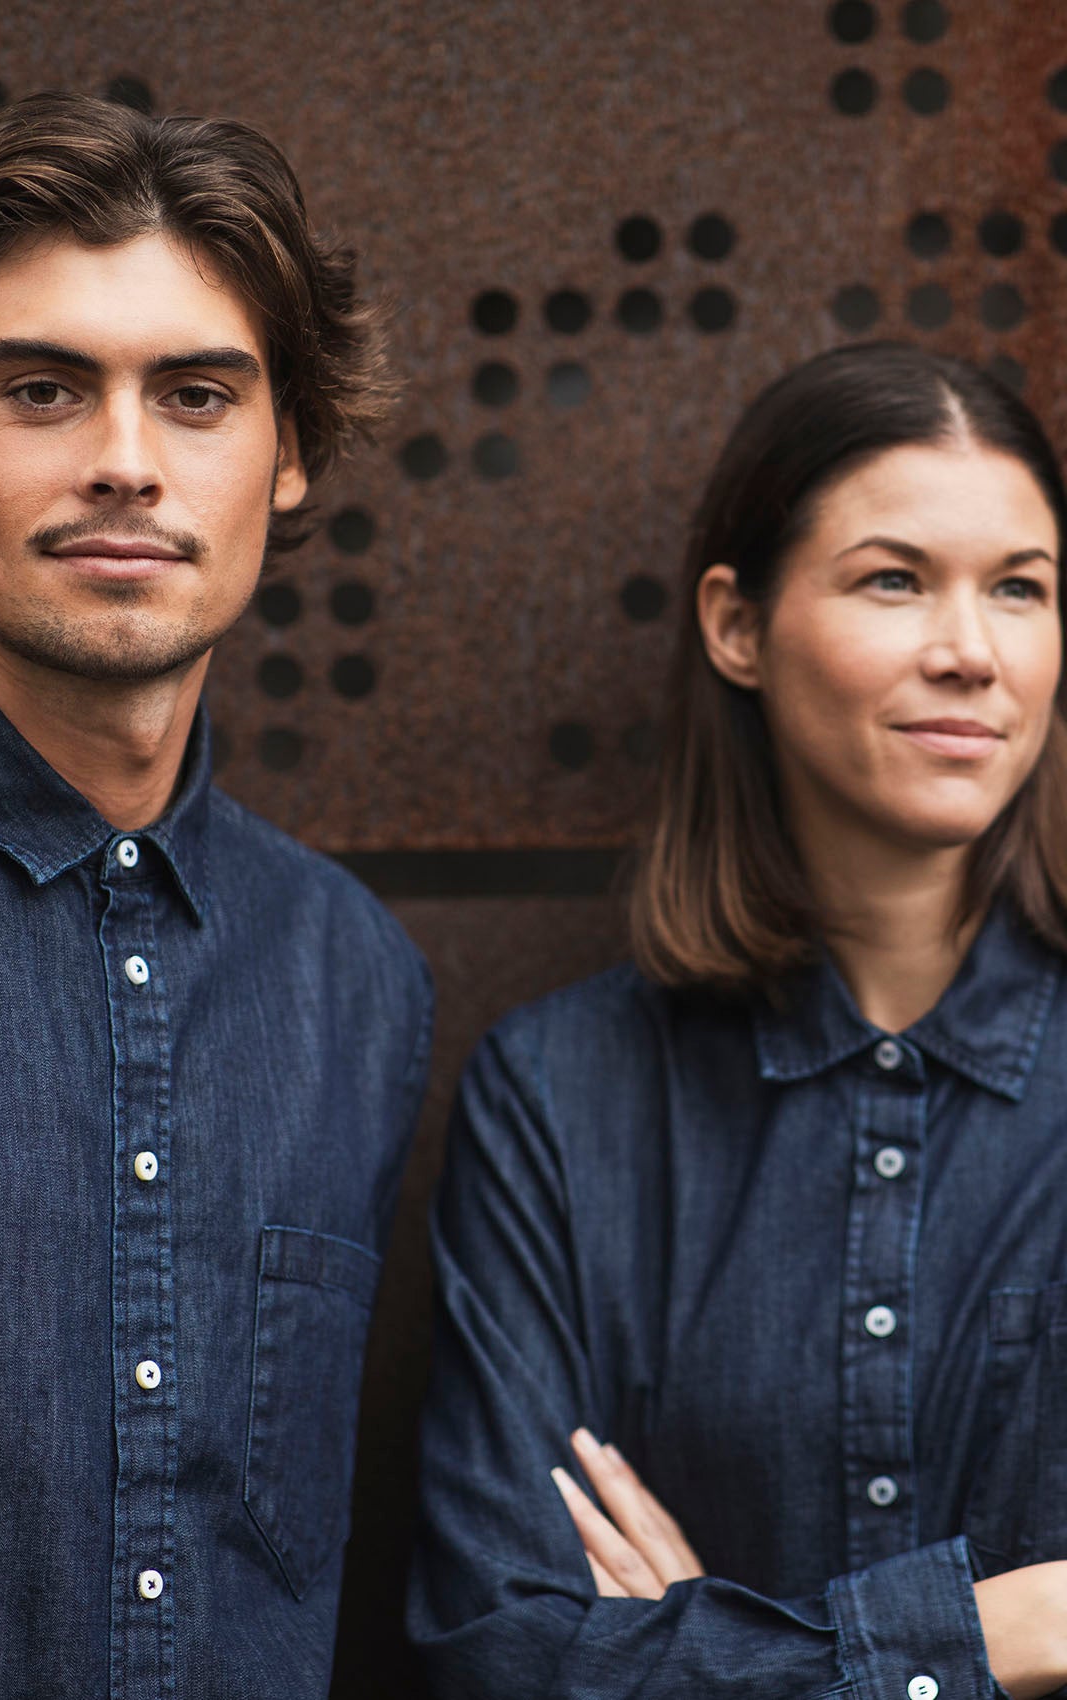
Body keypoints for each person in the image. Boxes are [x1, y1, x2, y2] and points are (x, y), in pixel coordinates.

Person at [0, 92, 431, 1699]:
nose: (125, 462)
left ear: (293, 449)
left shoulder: (353, 979)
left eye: (197, 395)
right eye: (41, 389)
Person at [411, 341, 1067, 1699]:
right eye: (895, 579)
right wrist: (1005, 1638)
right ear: (737, 625)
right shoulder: (560, 1097)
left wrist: (699, 1649)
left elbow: (601, 1669)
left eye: (1021, 589)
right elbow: (509, 1654)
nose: (971, 653)